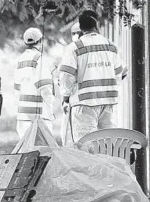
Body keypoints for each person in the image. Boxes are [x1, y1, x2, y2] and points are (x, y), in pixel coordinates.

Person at [59, 10, 128, 142]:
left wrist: (66, 96)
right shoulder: (110, 45)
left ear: (80, 27)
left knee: (86, 145)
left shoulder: (74, 48)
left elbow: (66, 77)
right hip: (108, 103)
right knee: (109, 145)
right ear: (96, 25)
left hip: (84, 105)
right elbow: (122, 71)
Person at [14, 27, 55, 139]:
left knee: (26, 152)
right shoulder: (40, 59)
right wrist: (50, 110)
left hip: (23, 116)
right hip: (40, 115)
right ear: (41, 40)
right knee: (44, 152)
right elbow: (45, 87)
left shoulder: (20, 59)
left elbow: (17, 89)